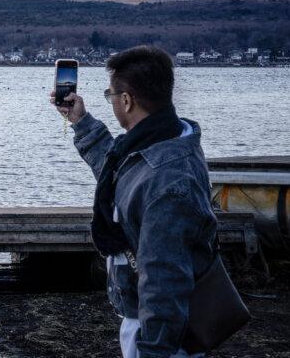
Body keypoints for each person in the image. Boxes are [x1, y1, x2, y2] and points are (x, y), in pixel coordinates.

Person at [52, 45, 217, 358]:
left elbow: (164, 276)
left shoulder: (168, 179)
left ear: (126, 101)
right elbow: (122, 176)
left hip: (163, 335)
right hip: (152, 321)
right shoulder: (163, 139)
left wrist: (154, 349)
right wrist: (81, 121)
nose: (111, 101)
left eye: (110, 95)